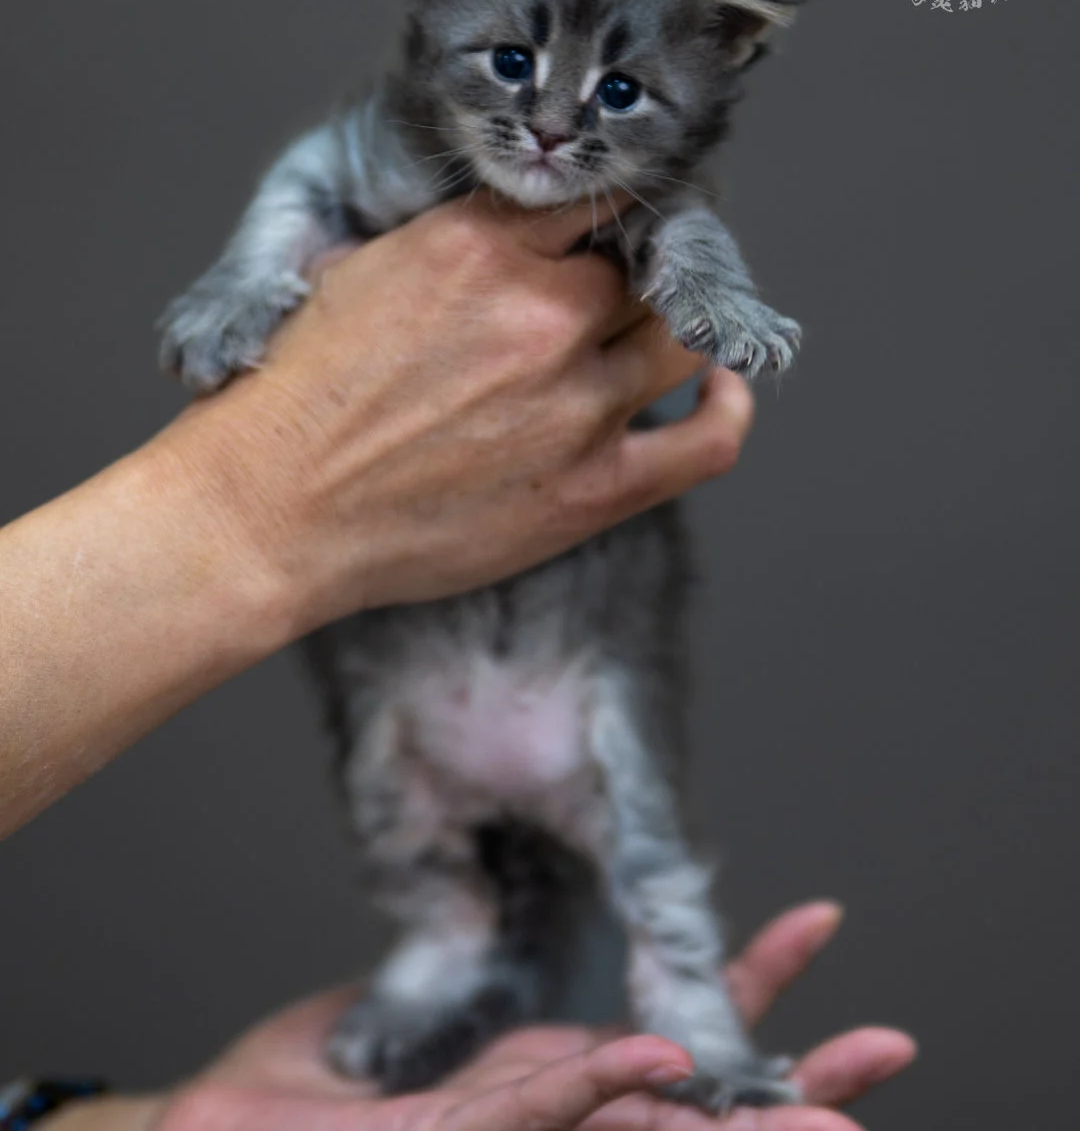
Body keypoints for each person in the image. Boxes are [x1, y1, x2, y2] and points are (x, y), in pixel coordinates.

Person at [1, 194, 916, 1128]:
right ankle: (458, 934)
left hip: (568, 650)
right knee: (415, 785)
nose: (552, 126)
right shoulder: (390, 152)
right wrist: (251, 498)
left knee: (632, 820)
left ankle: (670, 997)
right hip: (431, 673)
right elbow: (318, 189)